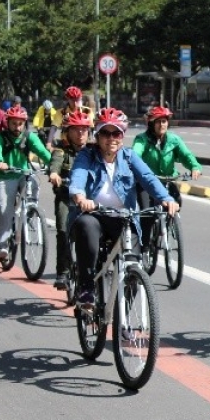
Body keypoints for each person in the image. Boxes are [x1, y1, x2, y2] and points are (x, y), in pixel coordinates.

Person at [68, 108, 178, 308]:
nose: (111, 138)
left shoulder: (128, 156)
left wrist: (166, 198)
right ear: (97, 135)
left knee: (133, 266)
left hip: (124, 218)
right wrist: (80, 197)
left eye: (116, 133)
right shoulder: (87, 155)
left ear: (122, 135)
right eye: (105, 133)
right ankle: (86, 287)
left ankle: (124, 315)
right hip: (95, 215)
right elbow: (78, 176)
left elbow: (148, 178)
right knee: (86, 225)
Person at [132, 105, 202, 252]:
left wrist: (195, 167)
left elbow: (186, 155)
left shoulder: (174, 139)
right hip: (146, 183)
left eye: (164, 121)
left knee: (177, 202)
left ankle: (167, 224)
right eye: (158, 121)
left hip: (167, 180)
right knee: (147, 213)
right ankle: (144, 248)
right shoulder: (142, 140)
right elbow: (135, 156)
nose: (162, 124)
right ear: (151, 123)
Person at [0, 105, 52, 263]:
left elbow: (42, 151)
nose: (17, 127)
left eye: (20, 124)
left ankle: (30, 212)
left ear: (25, 123)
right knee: (4, 209)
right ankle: (2, 247)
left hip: (24, 173)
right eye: (13, 123)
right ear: (7, 123)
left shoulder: (29, 137)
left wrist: (54, 166)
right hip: (4, 176)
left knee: (34, 182)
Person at [48, 111, 92, 289]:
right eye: (76, 129)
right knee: (63, 231)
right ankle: (63, 272)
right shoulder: (61, 150)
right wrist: (54, 174)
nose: (81, 133)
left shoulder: (93, 150)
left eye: (84, 129)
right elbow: (55, 163)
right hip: (66, 198)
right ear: (67, 132)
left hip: (88, 200)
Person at [47, 86, 93, 151]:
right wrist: (48, 143)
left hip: (83, 144)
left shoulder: (87, 111)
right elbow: (54, 127)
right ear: (68, 99)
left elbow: (92, 128)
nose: (75, 103)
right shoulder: (61, 112)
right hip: (66, 143)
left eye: (77, 100)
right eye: (72, 100)